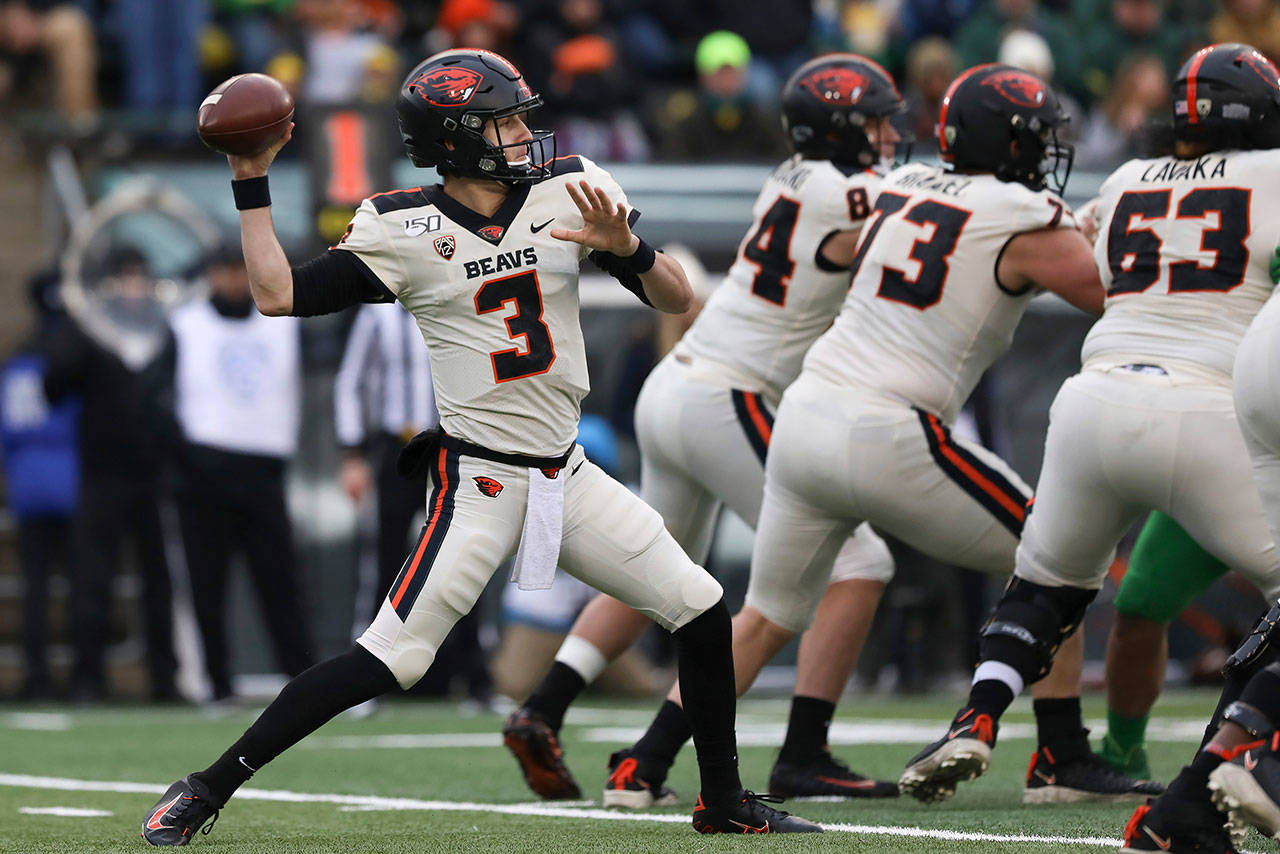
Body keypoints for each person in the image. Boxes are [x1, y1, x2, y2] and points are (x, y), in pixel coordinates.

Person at [140, 48, 820, 844]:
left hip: (567, 474)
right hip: (482, 483)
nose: (522, 133)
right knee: (390, 659)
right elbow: (276, 293)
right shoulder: (403, 226)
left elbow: (679, 296)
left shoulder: (570, 189)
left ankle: (722, 800)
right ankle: (209, 787)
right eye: (502, 121)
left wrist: (626, 247)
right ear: (455, 139)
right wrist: (251, 179)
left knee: (701, 610)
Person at [503, 53, 905, 805]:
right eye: (879, 123)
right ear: (848, 129)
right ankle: (771, 752)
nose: (889, 138)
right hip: (729, 395)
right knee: (857, 563)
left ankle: (544, 706)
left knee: (661, 566)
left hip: (681, 384)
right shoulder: (853, 191)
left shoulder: (792, 175)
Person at [902, 44, 1280, 811]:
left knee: (1043, 589)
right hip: (1209, 410)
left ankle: (975, 716)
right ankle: (1244, 750)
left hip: (1091, 402)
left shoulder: (1123, 180)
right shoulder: (1274, 176)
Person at [150, 246, 315, 703]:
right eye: (225, 272)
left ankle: (302, 681)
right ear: (209, 276)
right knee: (207, 585)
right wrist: (182, 459)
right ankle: (217, 683)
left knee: (281, 583)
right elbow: (157, 400)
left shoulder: (283, 321)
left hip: (264, 469)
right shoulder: (186, 325)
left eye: (240, 272)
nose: (234, 282)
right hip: (202, 474)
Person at [45, 247, 178, 703]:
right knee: (92, 580)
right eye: (125, 277)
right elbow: (53, 388)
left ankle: (165, 680)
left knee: (159, 583)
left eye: (141, 276)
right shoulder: (90, 330)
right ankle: (88, 680)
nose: (134, 286)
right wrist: (75, 326)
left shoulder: (165, 330)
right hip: (101, 474)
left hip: (155, 474)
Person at [0, 272, 79, 700]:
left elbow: (8, 432)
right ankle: (86, 675)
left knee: (35, 588)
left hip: (29, 485)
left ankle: (37, 675)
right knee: (79, 585)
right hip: (72, 482)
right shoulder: (72, 356)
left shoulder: (18, 360)